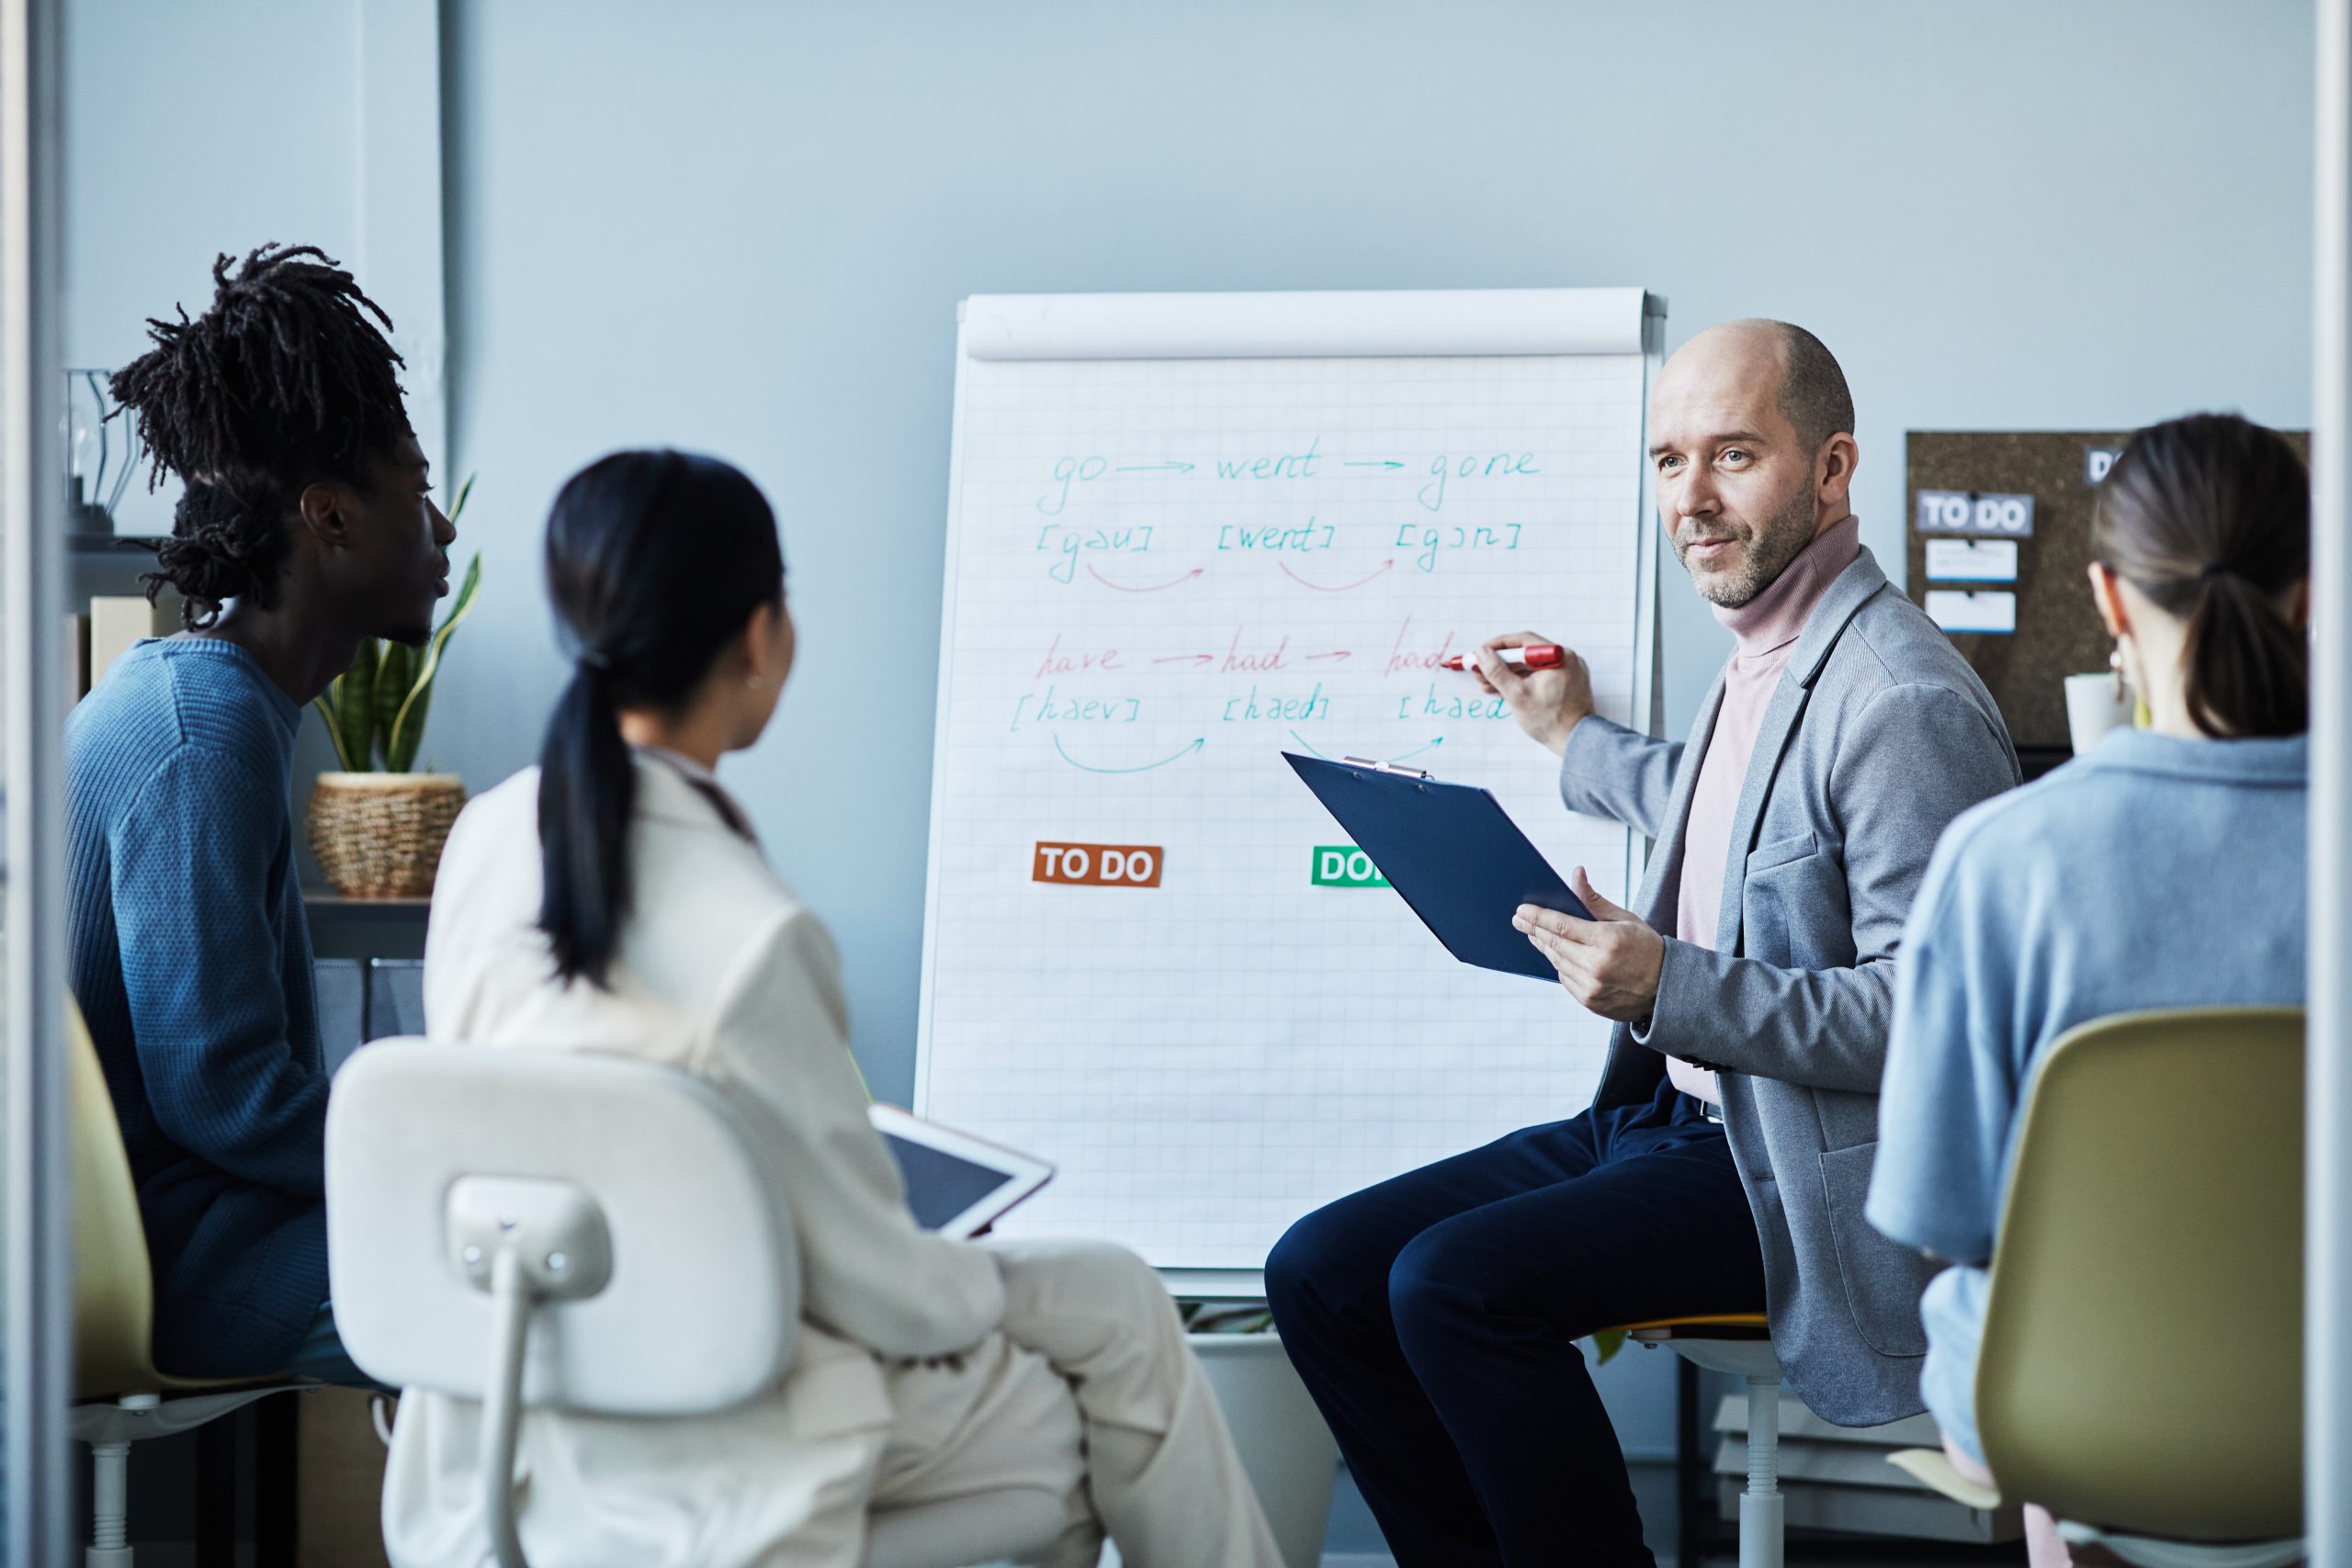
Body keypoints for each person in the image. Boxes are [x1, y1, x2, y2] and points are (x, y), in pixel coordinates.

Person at [398, 450, 1281, 1568]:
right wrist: (930, 1252)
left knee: (1104, 1308)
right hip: (717, 1422)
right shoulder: (751, 930)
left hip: (520, 1383)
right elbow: (889, 1300)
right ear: (762, 636)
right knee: (1098, 1371)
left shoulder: (483, 840)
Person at [1265, 319, 2020, 1566]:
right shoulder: (1769, 656)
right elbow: (1730, 798)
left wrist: (1671, 980)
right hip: (1676, 1121)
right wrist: (1569, 733)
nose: (1695, 498)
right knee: (1321, 1272)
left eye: (1733, 454)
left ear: (1832, 467)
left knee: (1452, 1285)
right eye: (1670, 461)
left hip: (1797, 1158)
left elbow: (1922, 1017)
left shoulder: (1902, 699)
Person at [1868, 412, 2309, 1567]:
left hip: (2067, 1413)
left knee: (2036, 1361)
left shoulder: (2006, 858)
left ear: (2109, 602)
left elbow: (1938, 1217)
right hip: (2336, 1413)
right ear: (2309, 592)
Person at [67, 244, 456, 1382]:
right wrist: (434, 1156)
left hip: (193, 1224)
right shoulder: (201, 726)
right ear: (328, 517)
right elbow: (223, 1095)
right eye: (416, 489)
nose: (440, 530)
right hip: (159, 1254)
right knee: (532, 1287)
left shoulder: (220, 701)